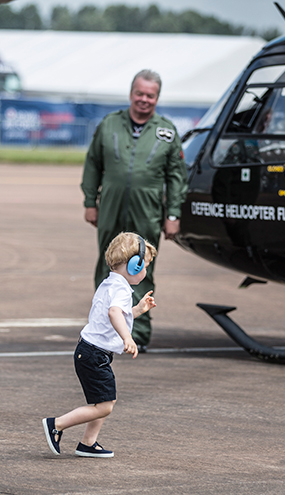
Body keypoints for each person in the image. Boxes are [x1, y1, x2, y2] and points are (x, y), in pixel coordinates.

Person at [81, 69, 187, 352]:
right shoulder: (109, 124)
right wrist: (90, 202)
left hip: (147, 210)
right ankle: (102, 330)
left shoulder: (167, 131)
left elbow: (176, 176)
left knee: (141, 269)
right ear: (131, 94)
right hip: (111, 208)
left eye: (150, 95)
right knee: (107, 266)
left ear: (157, 98)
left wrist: (173, 214)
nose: (144, 99)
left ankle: (137, 333)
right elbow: (93, 164)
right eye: (139, 93)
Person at [42, 232, 157, 458]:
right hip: (94, 354)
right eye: (146, 266)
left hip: (90, 351)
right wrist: (128, 338)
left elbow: (117, 315)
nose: (146, 272)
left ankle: (88, 443)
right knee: (105, 405)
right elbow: (114, 313)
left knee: (104, 399)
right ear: (135, 265)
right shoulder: (122, 290)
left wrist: (138, 310)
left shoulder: (109, 283)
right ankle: (56, 424)